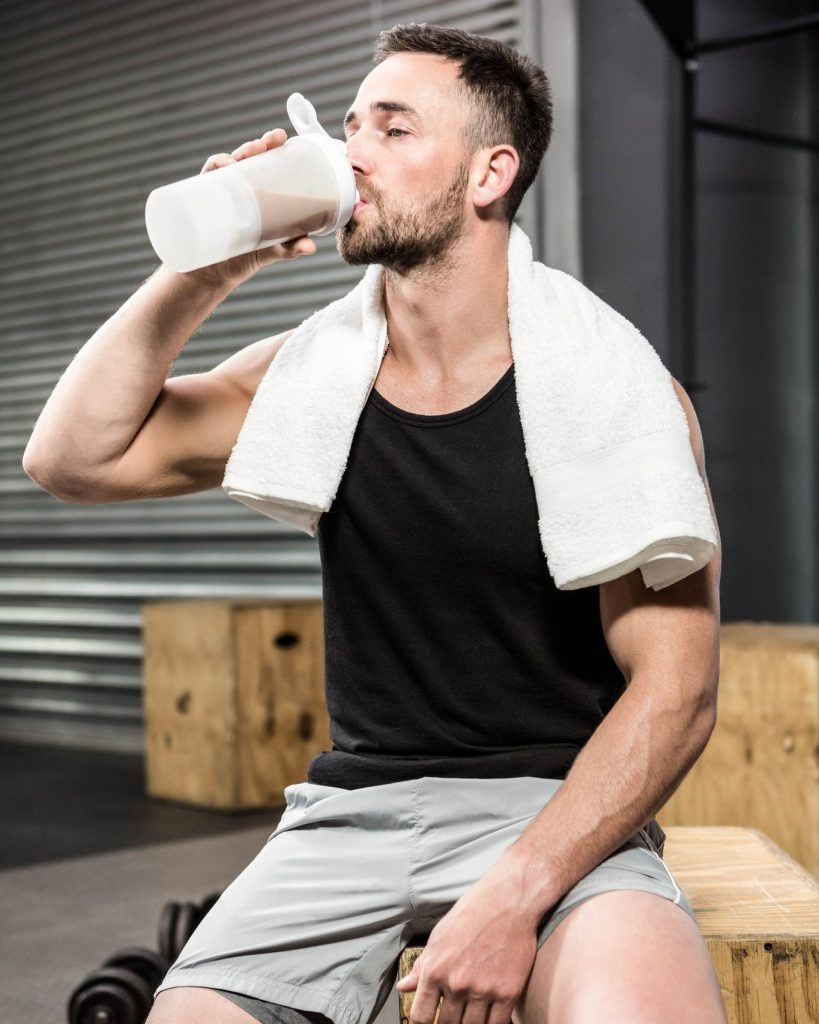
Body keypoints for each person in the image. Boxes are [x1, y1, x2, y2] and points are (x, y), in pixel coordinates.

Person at [23, 22, 726, 1024]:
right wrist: (205, 270)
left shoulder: (616, 391)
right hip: (348, 817)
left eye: (393, 130)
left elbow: (677, 693)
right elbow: (71, 460)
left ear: (489, 175)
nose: (352, 153)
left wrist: (515, 894)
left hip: (554, 809)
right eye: (350, 126)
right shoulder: (310, 377)